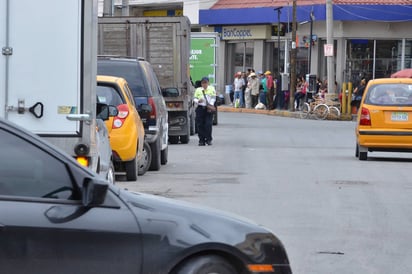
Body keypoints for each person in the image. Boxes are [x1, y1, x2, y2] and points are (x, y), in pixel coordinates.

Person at [194, 77, 216, 146]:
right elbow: (194, 98)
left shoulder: (211, 89)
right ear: (201, 83)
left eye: (205, 82)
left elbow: (213, 98)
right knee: (200, 125)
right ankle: (201, 140)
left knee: (208, 124)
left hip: (208, 109)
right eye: (203, 83)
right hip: (200, 108)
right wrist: (198, 101)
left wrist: (210, 105)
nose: (204, 84)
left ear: (208, 83)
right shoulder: (198, 90)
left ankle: (209, 139)